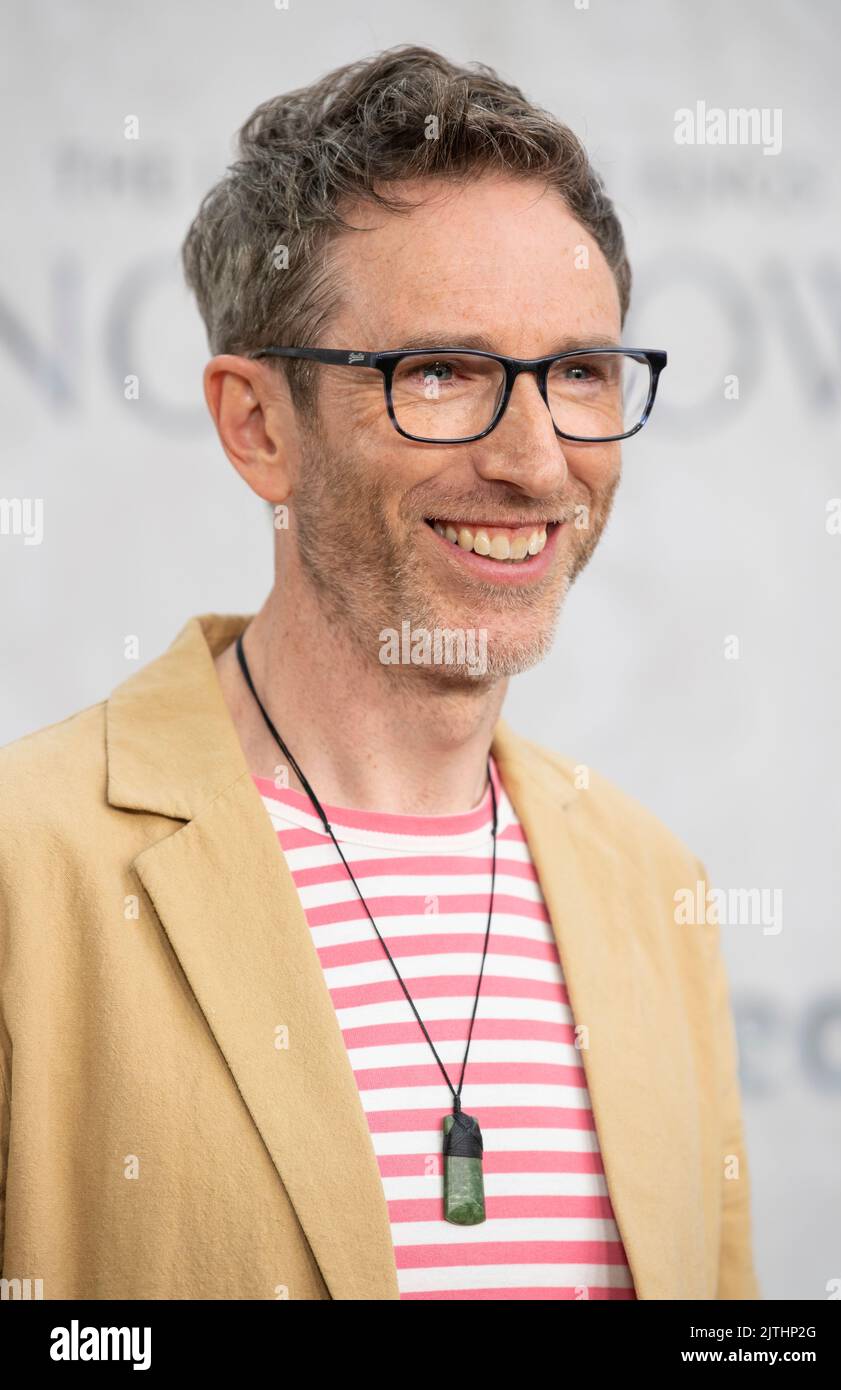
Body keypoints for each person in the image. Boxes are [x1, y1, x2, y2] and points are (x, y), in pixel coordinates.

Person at [0, 45, 759, 1300]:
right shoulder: (25, 867)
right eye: (443, 374)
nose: (535, 460)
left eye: (576, 372)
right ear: (257, 426)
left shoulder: (653, 886)